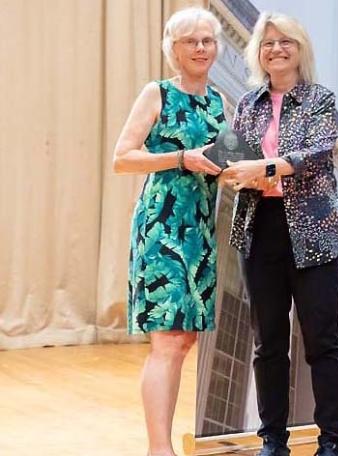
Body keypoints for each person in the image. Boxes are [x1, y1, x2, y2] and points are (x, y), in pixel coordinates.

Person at [220, 11, 338, 456]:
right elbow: (232, 158)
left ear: (300, 50)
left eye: (285, 42)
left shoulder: (319, 99)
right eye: (267, 42)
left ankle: (332, 439)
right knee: (268, 343)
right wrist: (232, 172)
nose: (276, 49)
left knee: (321, 340)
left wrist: (265, 168)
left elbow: (315, 152)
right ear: (258, 52)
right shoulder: (247, 104)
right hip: (260, 230)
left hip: (314, 232)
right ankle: (273, 439)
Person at [112, 7, 226, 456]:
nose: (200, 48)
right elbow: (123, 157)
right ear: (173, 50)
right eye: (191, 42)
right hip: (162, 224)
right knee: (166, 338)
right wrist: (181, 158)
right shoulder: (156, 93)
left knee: (184, 339)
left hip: (200, 226)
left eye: (207, 41)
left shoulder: (218, 102)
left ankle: (160, 446)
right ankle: (160, 449)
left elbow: (219, 162)